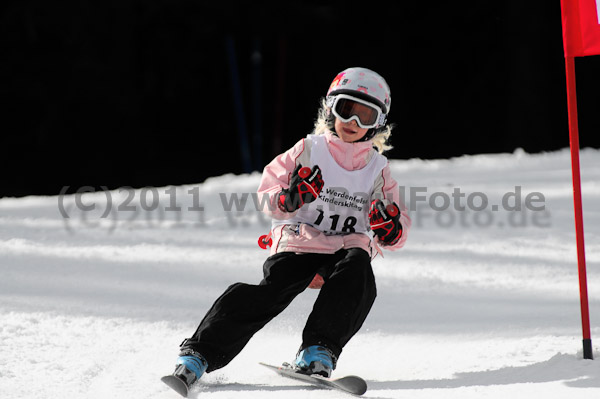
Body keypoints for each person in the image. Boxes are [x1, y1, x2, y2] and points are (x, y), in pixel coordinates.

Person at [166, 67, 411, 391]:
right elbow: (267, 196)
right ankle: (199, 355)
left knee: (358, 274)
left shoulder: (378, 169)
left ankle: (318, 351)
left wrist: (389, 228)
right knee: (269, 293)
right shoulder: (308, 151)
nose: (353, 123)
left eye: (365, 116)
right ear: (330, 109)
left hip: (345, 246)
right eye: (346, 110)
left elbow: (397, 223)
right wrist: (290, 197)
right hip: (301, 241)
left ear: (378, 124)